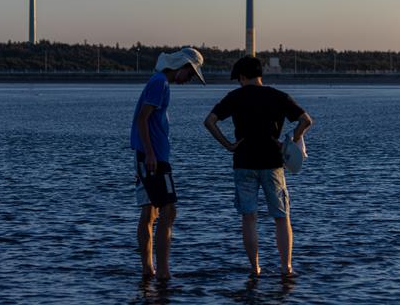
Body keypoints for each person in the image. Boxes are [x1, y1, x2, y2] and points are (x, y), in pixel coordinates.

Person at [203, 56, 312, 276]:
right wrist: (291, 141)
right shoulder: (278, 96)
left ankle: (255, 268)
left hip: (243, 162)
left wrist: (228, 145)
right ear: (260, 74)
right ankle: (286, 267)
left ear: (242, 77)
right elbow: (306, 120)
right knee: (281, 217)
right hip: (273, 162)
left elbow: (209, 121)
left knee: (249, 217)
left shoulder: (234, 97)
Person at [130, 47, 205, 279]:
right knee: (169, 210)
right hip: (153, 158)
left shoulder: (159, 82)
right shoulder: (160, 82)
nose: (189, 80)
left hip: (147, 157)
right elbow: (143, 117)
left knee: (150, 212)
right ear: (181, 67)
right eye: (191, 74)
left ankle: (149, 270)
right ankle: (162, 272)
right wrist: (151, 154)